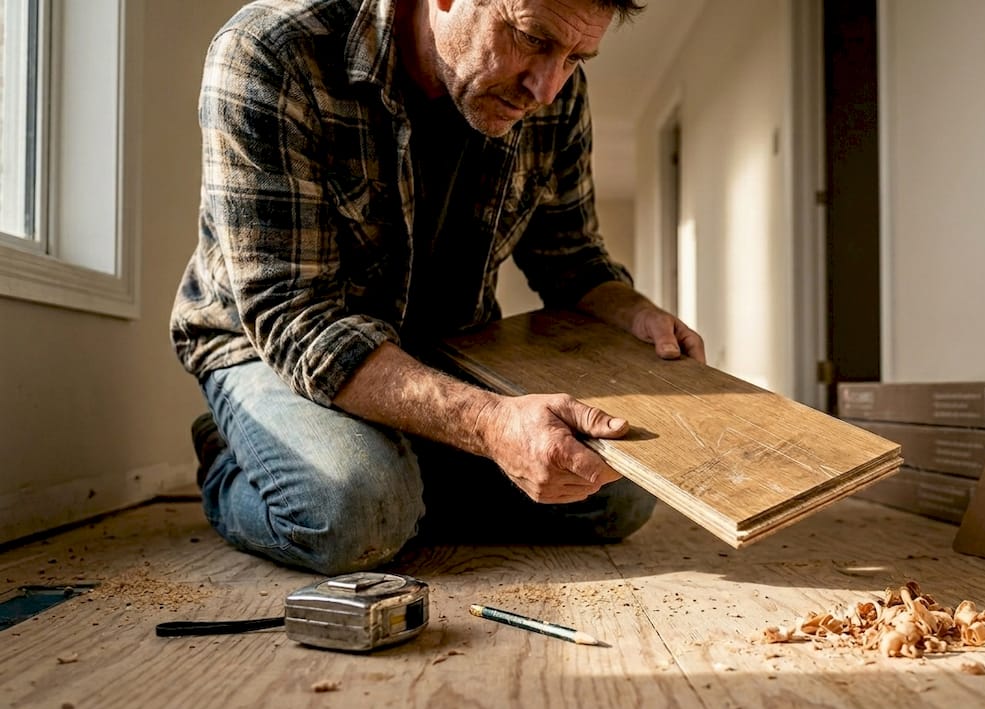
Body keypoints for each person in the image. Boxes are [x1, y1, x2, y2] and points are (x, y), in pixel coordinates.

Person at [169, 0, 705, 575]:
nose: (546, 88)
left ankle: (403, 477)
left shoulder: (559, 97)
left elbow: (571, 260)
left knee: (619, 493)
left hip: (447, 351)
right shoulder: (272, 52)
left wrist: (635, 315)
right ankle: (236, 458)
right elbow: (292, 317)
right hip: (269, 349)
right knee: (357, 515)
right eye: (531, 38)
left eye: (575, 57)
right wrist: (492, 425)